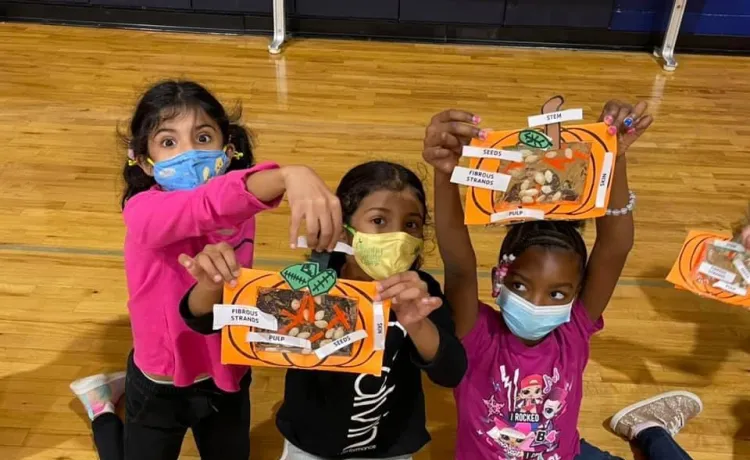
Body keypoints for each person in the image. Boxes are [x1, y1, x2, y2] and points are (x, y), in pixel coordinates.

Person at [68, 80, 342, 460]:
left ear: (227, 149)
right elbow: (202, 207)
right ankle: (102, 411)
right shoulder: (142, 211)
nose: (189, 154)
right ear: (145, 162)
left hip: (227, 373)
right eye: (168, 143)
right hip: (159, 379)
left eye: (203, 137)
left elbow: (224, 204)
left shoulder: (240, 208)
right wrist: (287, 175)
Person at [422, 103, 703, 459]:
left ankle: (649, 430)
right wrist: (444, 174)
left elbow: (616, 246)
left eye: (557, 293)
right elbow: (460, 267)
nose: (537, 303)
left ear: (577, 294)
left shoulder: (573, 330)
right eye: (522, 286)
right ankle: (651, 431)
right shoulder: (476, 334)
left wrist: (612, 157)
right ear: (500, 278)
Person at [180, 160, 468, 459]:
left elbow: (451, 372)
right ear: (343, 230)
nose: (398, 236)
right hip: (311, 447)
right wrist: (212, 283)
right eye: (379, 221)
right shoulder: (311, 285)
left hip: (390, 447)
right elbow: (206, 320)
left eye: (411, 224)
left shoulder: (420, 293)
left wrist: (417, 324)